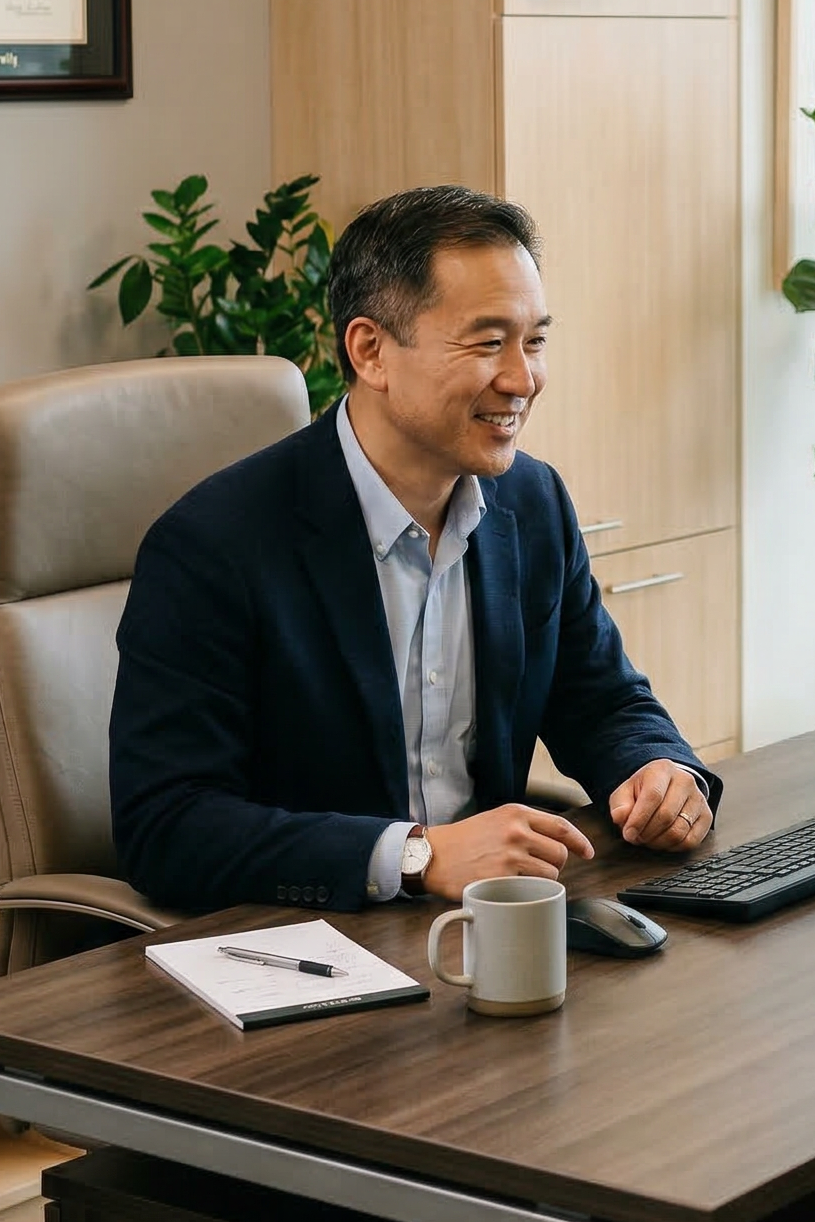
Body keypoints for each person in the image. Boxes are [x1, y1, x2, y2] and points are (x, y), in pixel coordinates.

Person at [109, 183, 718, 913]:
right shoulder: (214, 545)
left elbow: (600, 697)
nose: (523, 379)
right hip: (310, 944)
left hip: (492, 926)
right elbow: (167, 825)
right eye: (489, 342)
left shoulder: (530, 502)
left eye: (536, 341)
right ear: (371, 351)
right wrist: (415, 855)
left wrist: (657, 768)